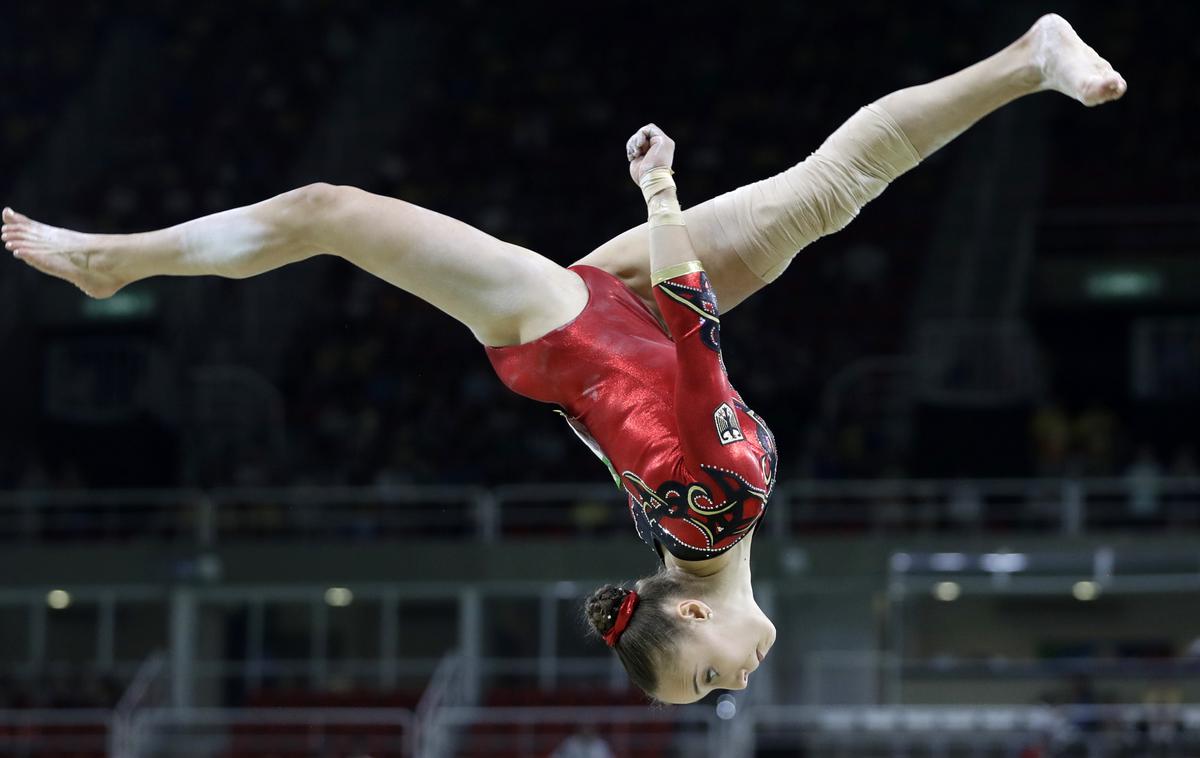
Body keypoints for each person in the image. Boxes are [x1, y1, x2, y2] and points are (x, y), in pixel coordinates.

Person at [3, 14, 1125, 703]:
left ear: (686, 619)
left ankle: (115, 261)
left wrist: (660, 194)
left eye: (705, 677)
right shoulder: (686, 533)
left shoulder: (715, 512)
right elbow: (636, 409)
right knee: (830, 192)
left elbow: (696, 334)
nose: (735, 679)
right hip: (604, 325)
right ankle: (1031, 57)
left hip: (570, 323)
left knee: (327, 208)